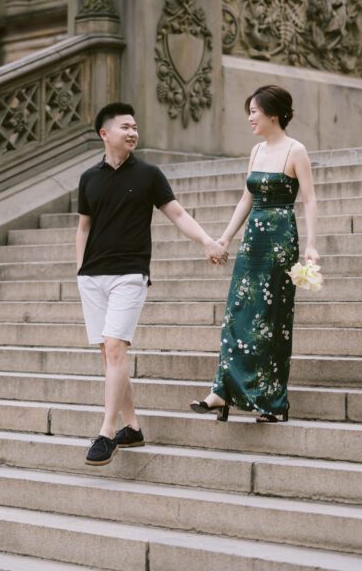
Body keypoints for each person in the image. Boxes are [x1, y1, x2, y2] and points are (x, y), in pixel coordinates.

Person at [76, 101, 227, 466]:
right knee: (109, 354)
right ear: (105, 133)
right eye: (125, 127)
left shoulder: (148, 174)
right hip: (92, 277)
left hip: (130, 274)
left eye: (135, 127)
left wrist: (207, 240)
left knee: (115, 347)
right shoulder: (89, 178)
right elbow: (83, 227)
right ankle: (133, 427)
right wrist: (81, 271)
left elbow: (177, 213)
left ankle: (107, 432)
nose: (133, 132)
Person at [190, 84, 319, 423]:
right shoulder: (256, 151)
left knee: (270, 319)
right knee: (238, 312)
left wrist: (311, 244)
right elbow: (246, 198)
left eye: (254, 112)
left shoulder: (296, 150)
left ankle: (272, 401)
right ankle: (222, 390)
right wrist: (225, 238)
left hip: (280, 241)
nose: (249, 118)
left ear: (272, 115)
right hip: (253, 241)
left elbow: (309, 200)